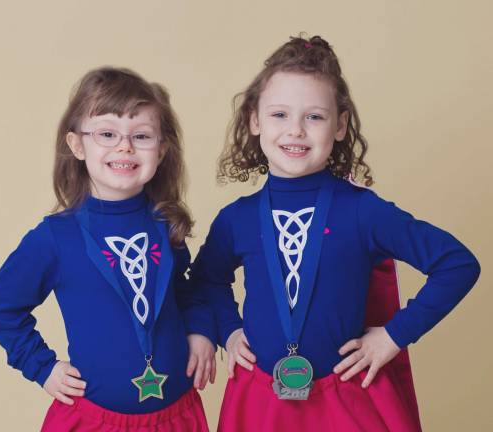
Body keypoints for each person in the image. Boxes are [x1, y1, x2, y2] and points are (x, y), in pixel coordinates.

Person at [191, 35, 481, 431]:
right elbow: (207, 281)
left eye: (314, 117)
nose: (295, 130)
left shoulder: (363, 210)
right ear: (254, 120)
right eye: (279, 115)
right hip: (261, 403)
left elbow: (457, 263)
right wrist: (229, 329)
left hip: (346, 401)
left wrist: (394, 336)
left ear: (340, 125)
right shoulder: (235, 218)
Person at [0, 67, 216, 431]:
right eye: (107, 133)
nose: (124, 146)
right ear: (77, 145)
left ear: (161, 150)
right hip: (95, 421)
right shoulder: (55, 238)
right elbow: (1, 307)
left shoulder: (166, 224)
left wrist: (201, 329)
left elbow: (186, 292)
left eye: (141, 136)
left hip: (177, 416)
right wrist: (42, 366)